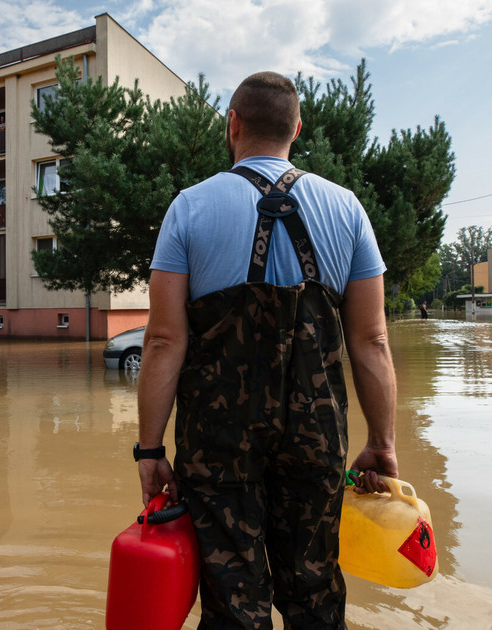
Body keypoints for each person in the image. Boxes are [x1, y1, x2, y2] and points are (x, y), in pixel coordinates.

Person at [135, 71, 398, 629]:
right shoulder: (347, 209)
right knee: (315, 592)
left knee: (233, 601)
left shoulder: (188, 208)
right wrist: (382, 441)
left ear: (232, 126)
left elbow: (162, 341)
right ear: (296, 129)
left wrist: (149, 450)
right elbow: (371, 340)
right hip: (317, 437)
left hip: (217, 441)